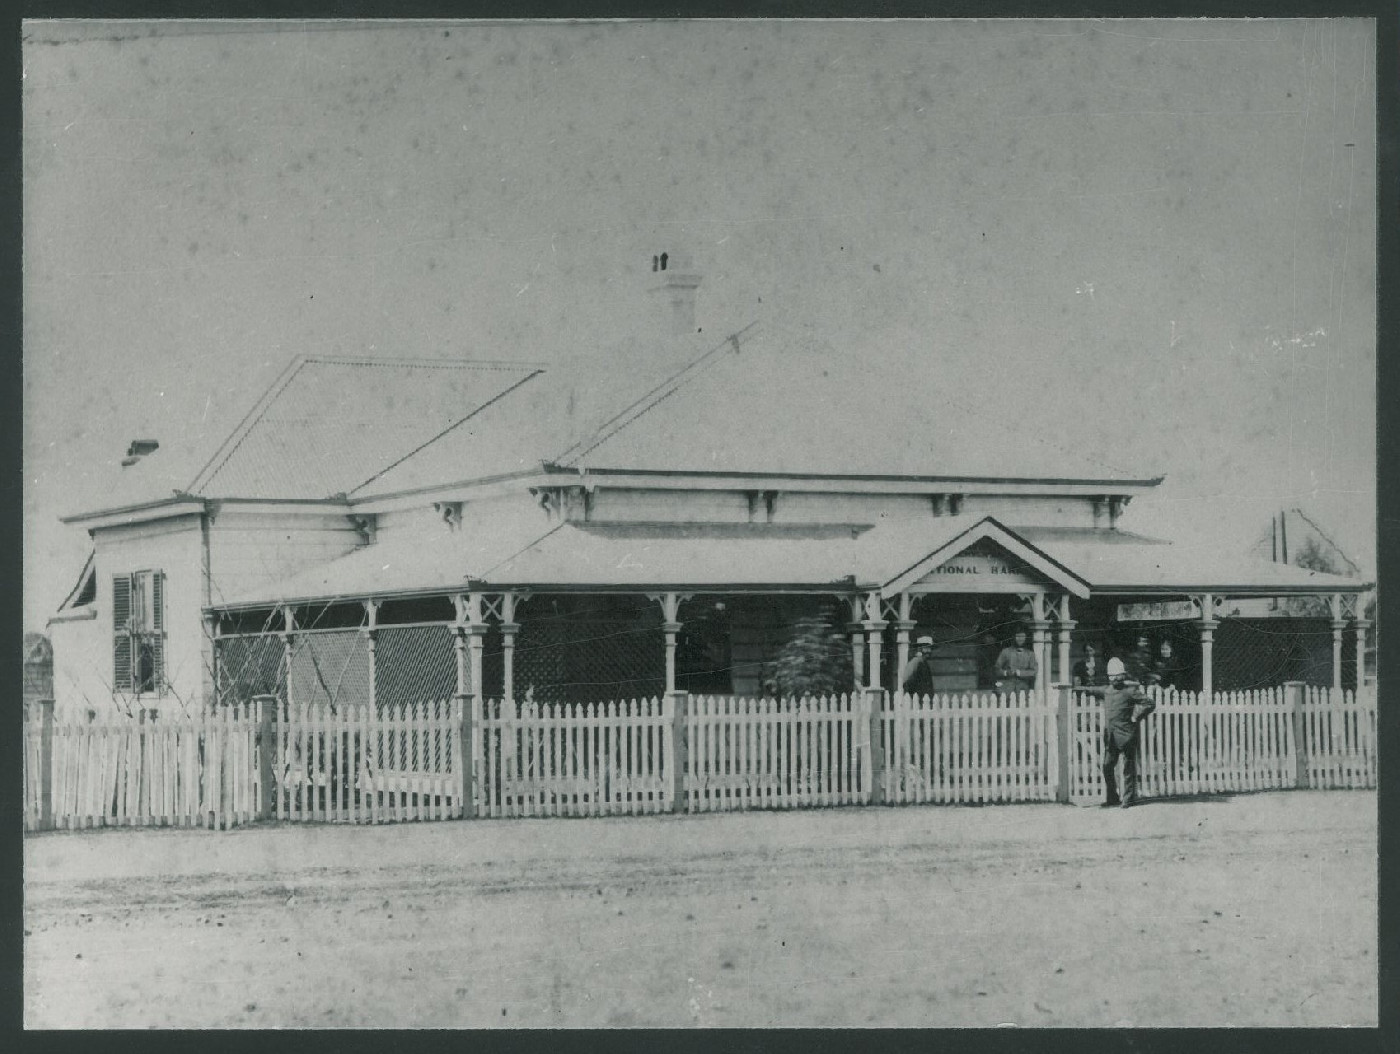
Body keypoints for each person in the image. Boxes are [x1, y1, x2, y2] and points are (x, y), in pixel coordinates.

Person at [1081, 657, 1155, 808]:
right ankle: (1112, 798)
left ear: (1123, 675)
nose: (1114, 678)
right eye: (1111, 676)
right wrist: (1077, 689)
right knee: (1107, 766)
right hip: (1111, 737)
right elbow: (1093, 690)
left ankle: (1129, 799)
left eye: (1117, 675)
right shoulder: (1107, 690)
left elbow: (1149, 703)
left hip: (1127, 734)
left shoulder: (1130, 691)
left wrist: (1136, 716)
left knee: (1129, 768)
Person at [994, 628, 1037, 695]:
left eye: (1022, 636)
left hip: (1023, 687)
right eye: (1018, 636)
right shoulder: (1005, 651)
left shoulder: (1030, 654)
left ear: (1026, 638)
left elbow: (1033, 672)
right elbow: (996, 669)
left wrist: (1020, 673)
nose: (1020, 639)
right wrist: (1005, 673)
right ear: (1014, 637)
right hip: (1006, 687)